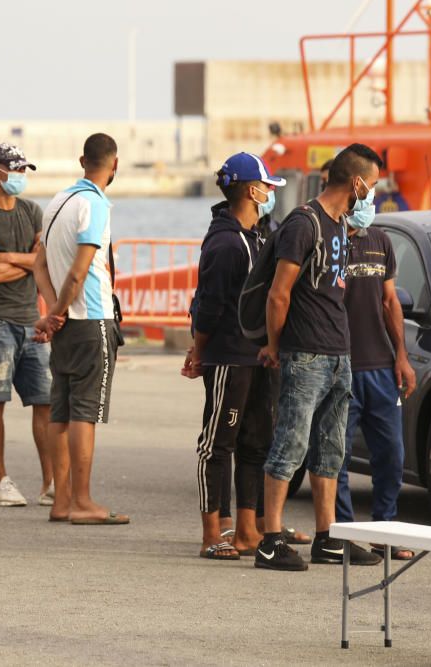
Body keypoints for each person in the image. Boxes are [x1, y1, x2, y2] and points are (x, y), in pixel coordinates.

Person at [255, 143, 386, 571]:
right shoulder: (304, 223)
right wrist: (275, 346)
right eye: (373, 184)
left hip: (337, 353)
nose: (374, 193)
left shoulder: (341, 225)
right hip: (306, 353)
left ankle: (327, 537)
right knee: (290, 445)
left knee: (331, 450)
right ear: (356, 182)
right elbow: (279, 293)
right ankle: (270, 539)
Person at [182, 152, 283, 559]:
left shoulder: (258, 235)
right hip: (230, 357)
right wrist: (199, 351)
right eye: (265, 187)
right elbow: (208, 307)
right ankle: (212, 534)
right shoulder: (226, 243)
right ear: (249, 190)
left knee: (257, 442)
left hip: (258, 358)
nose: (270, 193)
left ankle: (247, 530)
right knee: (218, 443)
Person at [33, 133, 128, 525]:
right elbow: (81, 269)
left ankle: (61, 499)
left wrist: (52, 312)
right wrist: (59, 310)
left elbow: (39, 264)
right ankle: (84, 502)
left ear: (81, 160)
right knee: (85, 414)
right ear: (115, 164)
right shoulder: (95, 204)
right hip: (91, 319)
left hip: (67, 324)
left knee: (62, 410)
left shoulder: (57, 202)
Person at [335, 178, 417, 560]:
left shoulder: (380, 241)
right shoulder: (329, 240)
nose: (367, 203)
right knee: (337, 458)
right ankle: (345, 534)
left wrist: (401, 355)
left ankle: (385, 532)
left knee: (391, 456)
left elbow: (390, 302)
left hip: (381, 368)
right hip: (339, 366)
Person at [0, 143, 53, 507]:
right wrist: (28, 262)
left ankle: (51, 483)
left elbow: (43, 262)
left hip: (31, 321)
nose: (18, 177)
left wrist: (9, 258)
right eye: (12, 169)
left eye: (22, 170)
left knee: (45, 403)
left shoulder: (33, 211)